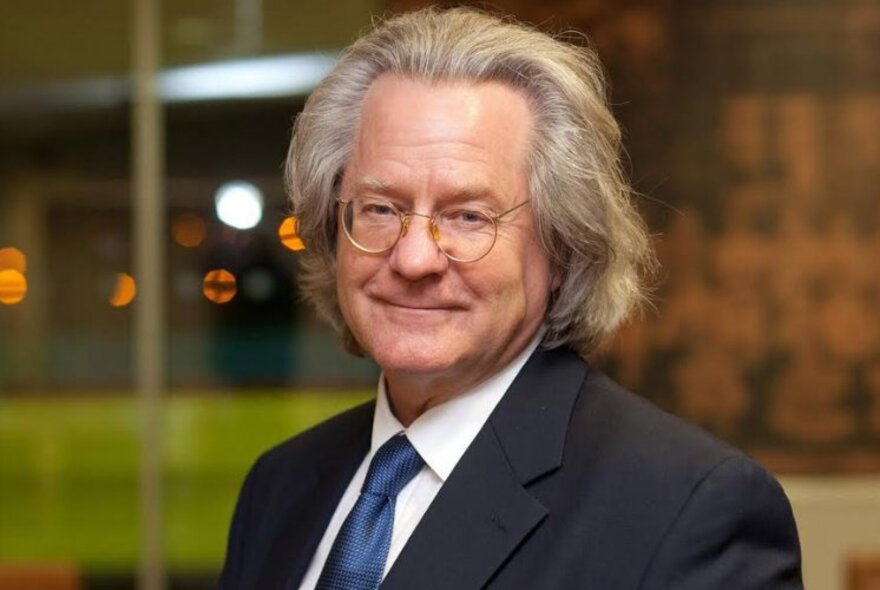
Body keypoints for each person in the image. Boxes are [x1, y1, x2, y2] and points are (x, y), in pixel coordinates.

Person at [220, 7, 803, 589]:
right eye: (379, 208)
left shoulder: (690, 512)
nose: (414, 259)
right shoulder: (281, 487)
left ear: (562, 245)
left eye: (469, 216)